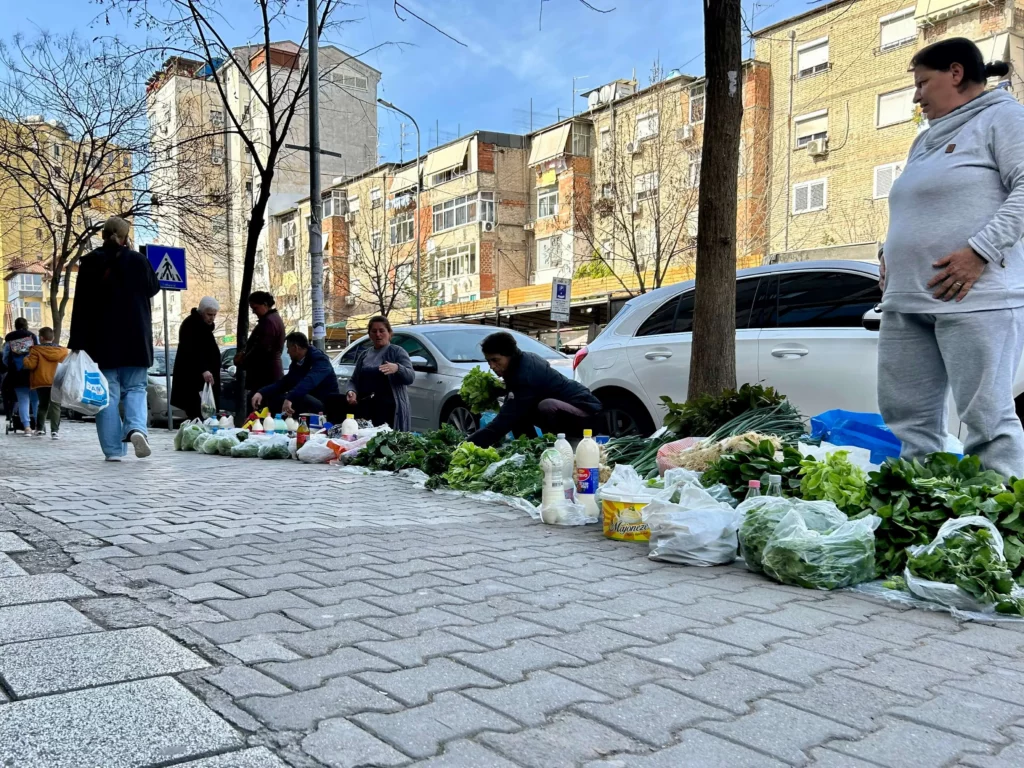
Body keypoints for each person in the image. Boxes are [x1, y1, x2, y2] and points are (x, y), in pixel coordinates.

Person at [878, 38, 1024, 478]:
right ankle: (922, 516)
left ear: (956, 74)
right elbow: (913, 205)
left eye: (923, 83)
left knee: (987, 421)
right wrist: (887, 253)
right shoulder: (923, 142)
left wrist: (980, 251)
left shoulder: (1003, 117)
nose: (916, 96)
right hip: (907, 302)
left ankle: (1000, 528)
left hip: (973, 298)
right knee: (909, 420)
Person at [68, 216, 160, 461]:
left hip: (102, 343)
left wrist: (77, 344)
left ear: (103, 235)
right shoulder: (138, 260)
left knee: (107, 395)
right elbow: (153, 288)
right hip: (135, 340)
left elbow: (80, 306)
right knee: (136, 388)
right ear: (125, 236)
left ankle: (113, 452)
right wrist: (133, 256)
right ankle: (136, 428)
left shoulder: (89, 262)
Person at [466, 331, 602, 448]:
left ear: (509, 355)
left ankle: (560, 446)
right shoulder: (520, 362)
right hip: (572, 409)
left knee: (543, 406)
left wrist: (467, 445)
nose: (492, 366)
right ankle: (530, 449)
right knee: (519, 413)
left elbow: (502, 423)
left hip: (586, 414)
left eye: (496, 360)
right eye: (489, 361)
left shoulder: (525, 374)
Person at [345, 316, 415, 430]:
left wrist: (397, 368)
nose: (378, 334)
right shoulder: (364, 355)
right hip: (367, 411)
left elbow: (410, 377)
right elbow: (353, 380)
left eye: (382, 331)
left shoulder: (397, 352)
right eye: (374, 331)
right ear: (369, 334)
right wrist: (351, 391)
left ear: (389, 333)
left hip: (390, 412)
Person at [252, 332, 339, 417]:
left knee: (300, 398)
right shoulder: (296, 364)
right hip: (309, 402)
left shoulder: (320, 360)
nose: (287, 352)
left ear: (295, 348)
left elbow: (309, 381)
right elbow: (284, 383)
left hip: (325, 404)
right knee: (277, 399)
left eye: (288, 348)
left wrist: (290, 398)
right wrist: (261, 393)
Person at [171, 297, 222, 421]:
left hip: (203, 378)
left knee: (204, 414)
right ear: (201, 311)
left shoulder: (202, 325)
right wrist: (204, 369)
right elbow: (192, 350)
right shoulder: (191, 324)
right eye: (209, 314)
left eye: (214, 315)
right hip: (194, 380)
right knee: (197, 414)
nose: (212, 318)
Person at [235, 291, 285, 404]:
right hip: (268, 374)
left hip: (265, 375)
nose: (253, 311)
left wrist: (243, 360)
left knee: (259, 410)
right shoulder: (272, 319)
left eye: (255, 308)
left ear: (265, 305)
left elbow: (261, 350)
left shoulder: (268, 322)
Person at [23, 327, 69, 439]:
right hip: (57, 382)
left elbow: (31, 365)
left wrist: (25, 359)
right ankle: (55, 431)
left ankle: (40, 429)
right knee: (56, 406)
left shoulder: (36, 350)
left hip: (42, 381)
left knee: (43, 405)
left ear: (41, 338)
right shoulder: (63, 351)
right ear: (52, 337)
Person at [2, 317, 40, 436]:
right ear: (26, 325)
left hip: (17, 374)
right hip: (32, 373)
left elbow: (5, 357)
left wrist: (10, 366)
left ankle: (27, 427)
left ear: (15, 325)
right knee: (35, 400)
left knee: (23, 400)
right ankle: (39, 426)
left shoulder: (10, 338)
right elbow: (38, 352)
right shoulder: (33, 337)